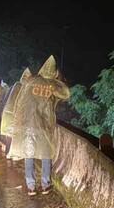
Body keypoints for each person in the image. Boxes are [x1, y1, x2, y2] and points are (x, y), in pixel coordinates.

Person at [8, 55, 70, 196]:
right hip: (43, 125)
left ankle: (31, 187)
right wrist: (59, 80)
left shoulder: (31, 80)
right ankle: (45, 185)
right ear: (54, 73)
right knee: (46, 154)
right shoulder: (53, 84)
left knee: (28, 154)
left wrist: (16, 121)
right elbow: (66, 93)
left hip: (26, 124)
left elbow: (19, 101)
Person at [0, 67, 32, 157]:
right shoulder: (25, 89)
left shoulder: (13, 86)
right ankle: (13, 154)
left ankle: (8, 154)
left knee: (9, 135)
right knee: (15, 135)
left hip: (7, 113)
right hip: (17, 115)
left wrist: (1, 113)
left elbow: (4, 100)